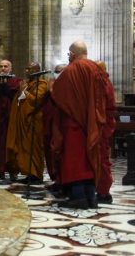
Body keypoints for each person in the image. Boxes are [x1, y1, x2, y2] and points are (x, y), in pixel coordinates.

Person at [51, 41, 110, 209]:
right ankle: (91, 198)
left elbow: (59, 95)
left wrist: (51, 89)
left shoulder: (71, 69)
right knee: (89, 159)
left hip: (74, 122)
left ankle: (78, 198)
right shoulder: (96, 68)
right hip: (92, 122)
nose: (68, 56)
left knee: (75, 160)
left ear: (73, 53)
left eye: (69, 53)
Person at [5, 62, 48, 185]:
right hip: (24, 122)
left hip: (33, 122)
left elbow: (36, 100)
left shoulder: (42, 84)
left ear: (37, 70)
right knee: (25, 149)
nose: (27, 71)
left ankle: (36, 175)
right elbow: (18, 100)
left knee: (34, 150)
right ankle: (29, 173)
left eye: (29, 69)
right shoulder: (27, 84)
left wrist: (25, 92)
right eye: (26, 68)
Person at [0, 59, 22, 184]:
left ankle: (13, 171)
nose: (3, 68)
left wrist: (5, 85)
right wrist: (1, 84)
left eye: (6, 66)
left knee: (12, 144)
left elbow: (15, 95)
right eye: (1, 66)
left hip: (12, 117)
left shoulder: (16, 81)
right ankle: (0, 171)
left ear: (10, 68)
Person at [95, 61, 116, 204]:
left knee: (102, 159)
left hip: (102, 125)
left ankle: (104, 192)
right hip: (101, 124)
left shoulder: (103, 83)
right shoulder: (103, 82)